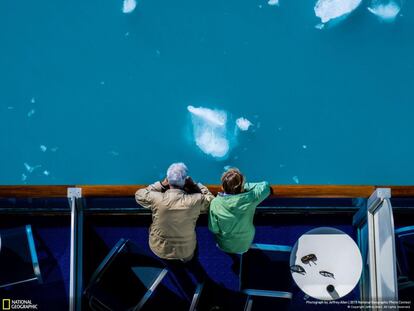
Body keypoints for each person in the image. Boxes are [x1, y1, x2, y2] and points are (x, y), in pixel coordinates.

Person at [135, 162, 214, 294]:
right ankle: (202, 282)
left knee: (176, 271)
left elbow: (139, 194)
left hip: (160, 249)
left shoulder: (156, 198)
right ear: (185, 181)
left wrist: (160, 184)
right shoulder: (195, 200)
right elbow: (211, 201)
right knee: (194, 264)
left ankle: (184, 283)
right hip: (186, 251)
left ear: (167, 179)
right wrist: (196, 185)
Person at [208, 168, 271, 274]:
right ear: (242, 186)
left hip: (224, 244)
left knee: (225, 247)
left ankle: (231, 253)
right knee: (243, 250)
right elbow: (265, 186)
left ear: (222, 186)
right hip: (245, 242)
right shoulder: (251, 198)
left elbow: (213, 228)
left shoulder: (215, 203)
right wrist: (245, 187)